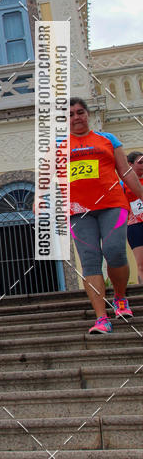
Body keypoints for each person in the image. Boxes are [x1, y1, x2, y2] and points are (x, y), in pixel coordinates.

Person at [69, 98, 143, 333]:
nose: (76, 117)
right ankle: (101, 318)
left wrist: (141, 195)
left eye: (80, 112)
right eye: (70, 114)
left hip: (113, 205)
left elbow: (126, 171)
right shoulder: (58, 145)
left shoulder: (108, 139)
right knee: (90, 260)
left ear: (87, 114)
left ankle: (120, 297)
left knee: (114, 251)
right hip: (78, 210)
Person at [124, 151, 143, 284]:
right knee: (141, 264)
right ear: (130, 164)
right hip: (134, 225)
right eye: (140, 162)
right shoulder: (122, 183)